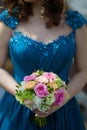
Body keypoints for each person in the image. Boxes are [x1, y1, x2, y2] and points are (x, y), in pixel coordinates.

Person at [0, 0, 87, 129]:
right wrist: (24, 97)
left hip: (63, 113)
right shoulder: (9, 19)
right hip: (17, 112)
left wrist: (59, 100)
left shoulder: (75, 22)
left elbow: (83, 71)